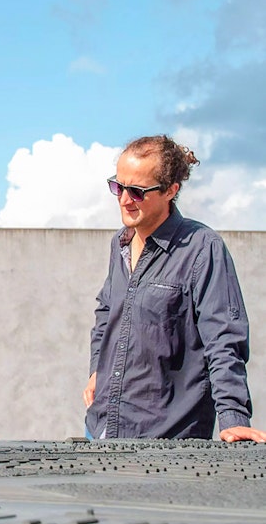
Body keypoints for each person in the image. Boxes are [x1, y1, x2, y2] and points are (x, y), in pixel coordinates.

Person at [85, 135, 266, 442]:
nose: (124, 199)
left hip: (167, 440)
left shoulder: (202, 248)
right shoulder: (120, 244)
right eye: (118, 186)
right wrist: (96, 369)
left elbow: (223, 338)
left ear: (171, 191)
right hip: (102, 428)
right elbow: (107, 313)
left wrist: (233, 418)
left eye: (137, 191)